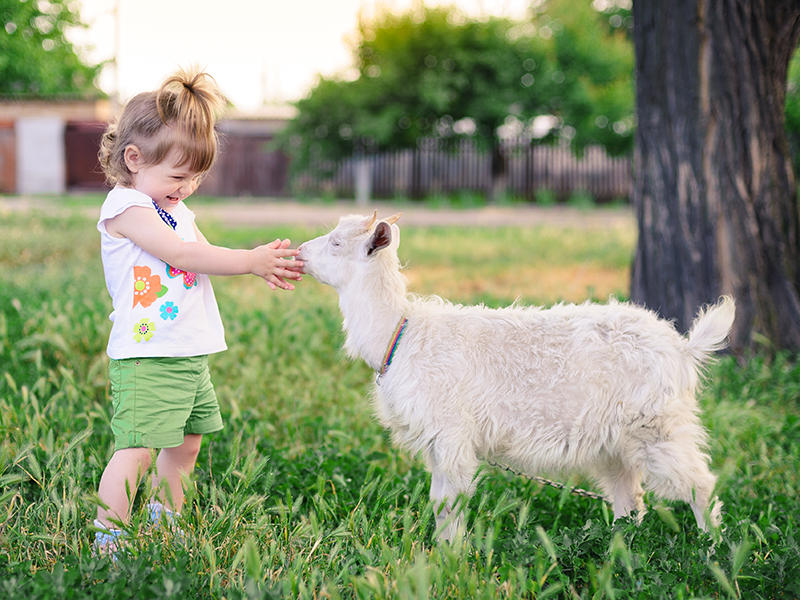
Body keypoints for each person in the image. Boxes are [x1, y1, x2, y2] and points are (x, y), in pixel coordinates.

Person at [93, 67, 302, 557]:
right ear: (134, 158)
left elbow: (205, 251)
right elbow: (183, 256)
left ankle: (165, 518)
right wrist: (250, 261)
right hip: (148, 354)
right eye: (178, 176)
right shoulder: (126, 207)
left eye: (196, 178)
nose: (187, 188)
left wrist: (254, 264)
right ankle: (110, 537)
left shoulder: (174, 207)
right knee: (139, 448)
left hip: (187, 351)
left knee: (186, 444)